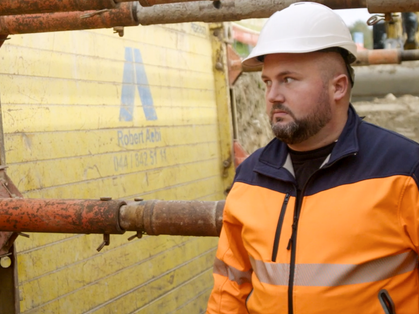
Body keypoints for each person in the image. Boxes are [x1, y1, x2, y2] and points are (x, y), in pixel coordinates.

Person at [206, 2, 419, 314]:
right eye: (267, 81)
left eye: (288, 79)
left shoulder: (402, 170)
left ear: (338, 87)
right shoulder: (251, 176)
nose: (272, 95)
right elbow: (231, 286)